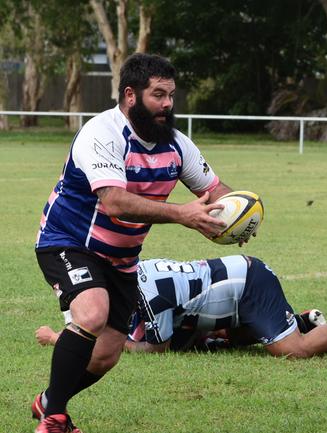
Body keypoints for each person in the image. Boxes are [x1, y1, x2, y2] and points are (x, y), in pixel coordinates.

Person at [32, 53, 234, 433]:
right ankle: (55, 418)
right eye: (158, 95)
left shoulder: (177, 144)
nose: (168, 104)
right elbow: (114, 201)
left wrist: (240, 208)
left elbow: (214, 189)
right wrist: (183, 215)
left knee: (106, 354)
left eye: (171, 95)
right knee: (91, 313)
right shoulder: (101, 133)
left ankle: (47, 401)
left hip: (122, 259)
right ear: (130, 95)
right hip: (69, 241)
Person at [34, 255, 327, 359]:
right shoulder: (135, 275)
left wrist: (58, 340)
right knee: (198, 339)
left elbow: (153, 349)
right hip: (229, 291)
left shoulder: (148, 294)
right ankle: (303, 320)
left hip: (248, 285)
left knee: (291, 351)